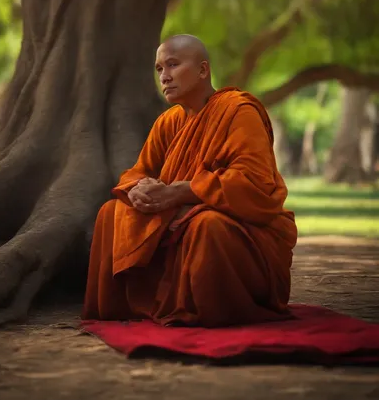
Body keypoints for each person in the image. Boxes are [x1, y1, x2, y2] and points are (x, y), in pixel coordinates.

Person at [83, 34, 297, 327]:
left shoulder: (238, 111)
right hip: (178, 221)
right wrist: (139, 189)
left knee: (207, 226)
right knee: (111, 213)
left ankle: (204, 309)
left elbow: (254, 183)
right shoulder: (170, 121)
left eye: (173, 64)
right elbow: (138, 171)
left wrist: (184, 192)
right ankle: (130, 307)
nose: (165, 76)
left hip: (244, 231)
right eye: (159, 69)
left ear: (203, 70)